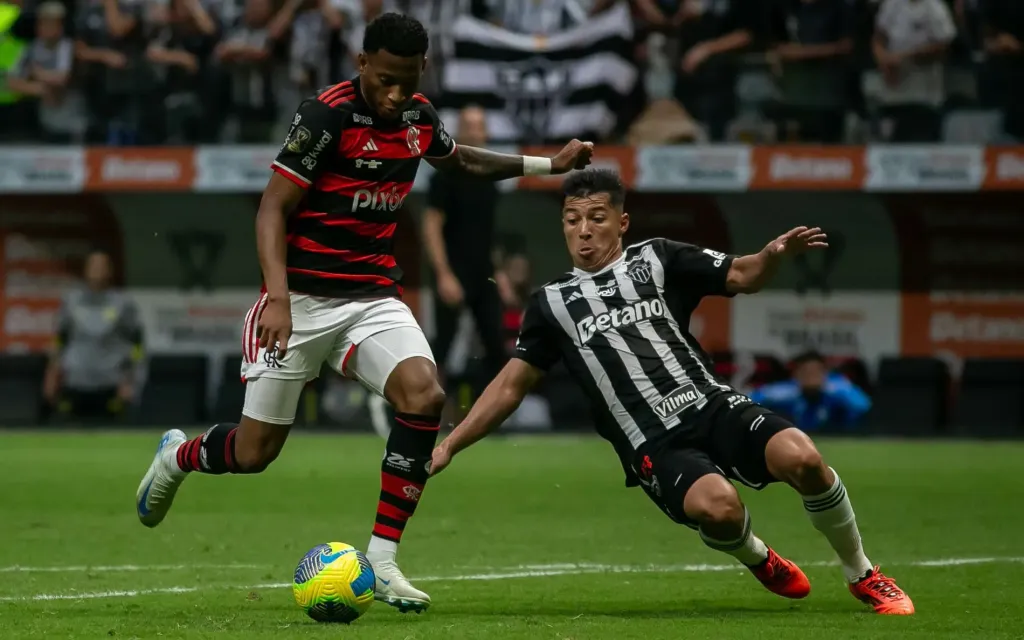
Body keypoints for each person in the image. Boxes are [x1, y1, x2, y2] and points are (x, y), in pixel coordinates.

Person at [134, 11, 594, 614]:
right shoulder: (325, 116)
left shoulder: (417, 118)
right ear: (360, 65)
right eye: (383, 79)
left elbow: (458, 161)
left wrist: (545, 166)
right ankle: (178, 456)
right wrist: (275, 297)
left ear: (423, 70)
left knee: (425, 396)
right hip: (296, 302)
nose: (395, 92)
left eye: (407, 79)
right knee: (254, 454)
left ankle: (381, 559)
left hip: (371, 300)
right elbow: (272, 209)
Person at [429, 168, 915, 616]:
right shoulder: (551, 303)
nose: (583, 230)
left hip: (712, 405)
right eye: (572, 219)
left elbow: (742, 275)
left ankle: (863, 574)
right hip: (654, 444)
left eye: (596, 218)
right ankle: (759, 557)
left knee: (804, 457)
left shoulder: (658, 257)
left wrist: (772, 256)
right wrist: (451, 442)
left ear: (621, 223)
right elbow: (511, 385)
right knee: (720, 509)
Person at [422, 105, 506, 395]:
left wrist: (500, 274)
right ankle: (423, 409)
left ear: (486, 132)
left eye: (478, 125)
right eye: (467, 125)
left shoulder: (489, 178)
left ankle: (490, 414)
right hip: (454, 269)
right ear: (458, 131)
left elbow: (488, 233)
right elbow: (431, 225)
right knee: (442, 346)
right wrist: (443, 274)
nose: (473, 131)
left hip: (484, 272)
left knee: (496, 343)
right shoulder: (445, 175)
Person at [43, 249, 142, 423]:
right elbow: (60, 340)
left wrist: (131, 380)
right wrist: (52, 374)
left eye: (102, 266)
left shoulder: (123, 304)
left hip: (110, 383)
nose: (97, 270)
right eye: (93, 265)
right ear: (86, 269)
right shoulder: (71, 301)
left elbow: (137, 345)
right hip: (75, 381)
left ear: (110, 271)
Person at [750, 351, 872, 432]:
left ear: (825, 373)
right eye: (806, 372)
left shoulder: (838, 386)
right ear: (796, 374)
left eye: (816, 372)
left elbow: (863, 405)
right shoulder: (785, 391)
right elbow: (752, 400)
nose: (811, 377)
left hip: (838, 437)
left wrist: (828, 389)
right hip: (795, 436)